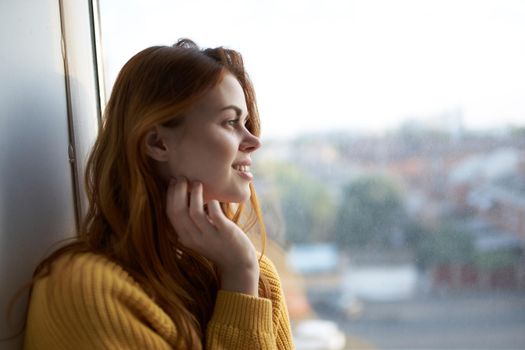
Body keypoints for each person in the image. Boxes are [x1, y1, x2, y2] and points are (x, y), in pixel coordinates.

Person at [23, 39, 294, 349]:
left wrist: (242, 271)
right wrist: (240, 277)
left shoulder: (258, 276)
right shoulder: (84, 289)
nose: (253, 140)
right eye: (231, 121)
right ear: (158, 143)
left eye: (245, 122)